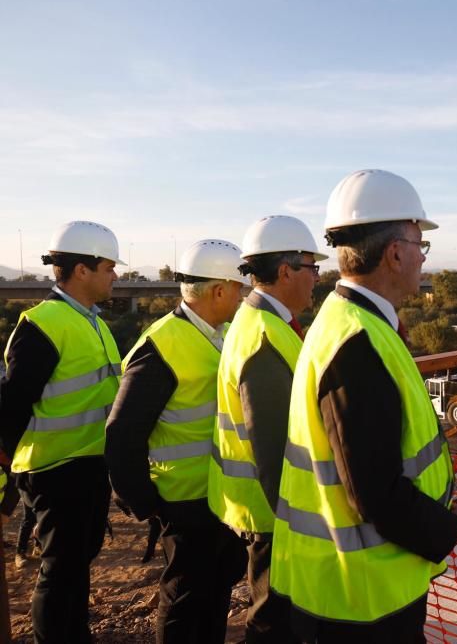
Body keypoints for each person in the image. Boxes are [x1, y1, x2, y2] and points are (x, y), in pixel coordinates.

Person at [270, 169, 457, 643]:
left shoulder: (354, 324)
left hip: (356, 589)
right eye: (420, 245)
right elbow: (375, 493)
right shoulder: (356, 342)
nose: (424, 258)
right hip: (358, 601)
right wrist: (451, 528)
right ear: (395, 252)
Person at [105, 239, 248, 644]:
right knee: (184, 602)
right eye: (239, 288)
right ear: (219, 290)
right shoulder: (160, 346)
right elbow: (122, 433)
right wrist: (146, 503)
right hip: (183, 505)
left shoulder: (218, 336)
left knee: (215, 596)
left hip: (217, 498)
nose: (242, 297)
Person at [0, 220, 124, 643]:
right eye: (109, 267)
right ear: (82, 270)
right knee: (59, 571)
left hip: (89, 466)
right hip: (55, 470)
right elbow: (11, 407)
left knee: (75, 567)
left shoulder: (94, 323)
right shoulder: (42, 325)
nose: (115, 275)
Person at [208, 215, 327, 643]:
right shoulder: (263, 335)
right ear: (285, 271)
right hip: (275, 516)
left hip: (270, 512)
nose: (317, 278)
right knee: (274, 623)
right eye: (312, 268)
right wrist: (305, 523)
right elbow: (274, 449)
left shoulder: (266, 324)